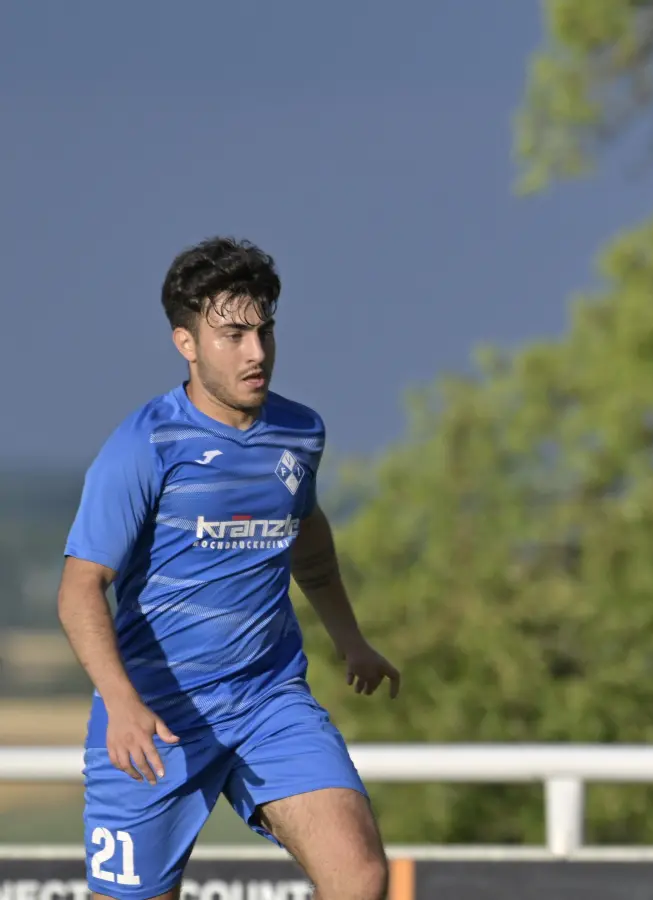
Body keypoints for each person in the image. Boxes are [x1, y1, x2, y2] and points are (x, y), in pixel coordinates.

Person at [56, 237, 400, 900]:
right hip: (155, 718)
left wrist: (350, 639)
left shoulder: (300, 433)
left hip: (269, 701)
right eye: (233, 335)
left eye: (264, 331)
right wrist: (122, 703)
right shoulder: (145, 443)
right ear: (186, 343)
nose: (256, 352)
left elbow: (306, 534)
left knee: (360, 877)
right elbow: (79, 590)